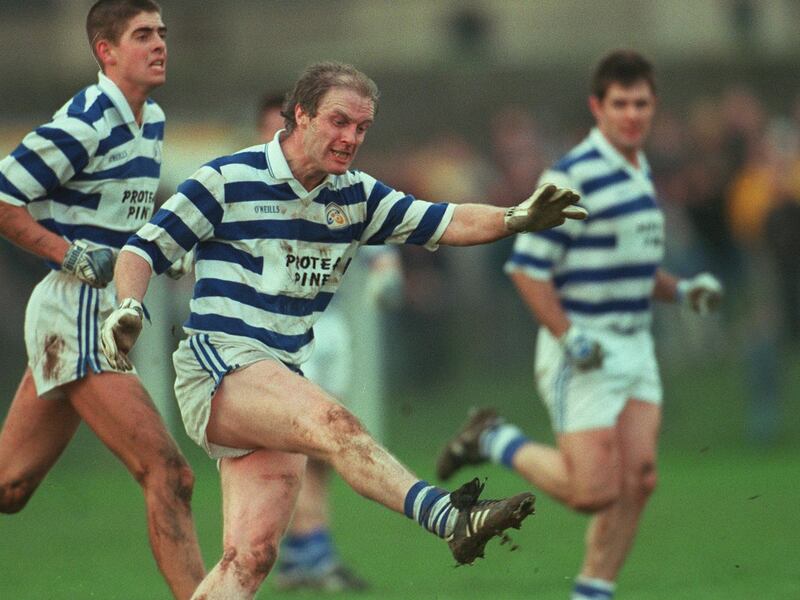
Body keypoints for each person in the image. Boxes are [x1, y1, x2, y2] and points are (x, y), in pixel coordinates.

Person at [100, 61, 586, 598]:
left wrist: (515, 217)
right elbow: (141, 249)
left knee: (251, 558)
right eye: (338, 121)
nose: (350, 137)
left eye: (361, 128)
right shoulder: (226, 180)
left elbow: (445, 220)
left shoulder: (356, 197)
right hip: (220, 365)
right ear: (301, 115)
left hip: (278, 373)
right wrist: (129, 307)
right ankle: (449, 518)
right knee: (335, 422)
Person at [435, 50, 724, 600]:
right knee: (594, 491)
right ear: (598, 107)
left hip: (634, 345)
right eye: (621, 103)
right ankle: (492, 437)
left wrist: (681, 290)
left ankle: (592, 591)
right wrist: (571, 336)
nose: (632, 114)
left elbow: (631, 266)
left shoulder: (640, 171)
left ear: (653, 105)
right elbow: (526, 270)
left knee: (639, 480)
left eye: (642, 103)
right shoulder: (572, 176)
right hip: (583, 348)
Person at [0, 2, 205, 598]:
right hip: (73, 313)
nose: (160, 44)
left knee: (10, 489)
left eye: (162, 33)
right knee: (170, 474)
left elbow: (125, 228)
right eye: (143, 35)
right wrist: (66, 252)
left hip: (99, 317)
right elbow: (4, 198)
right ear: (105, 51)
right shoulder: (87, 120)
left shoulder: (154, 120)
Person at [257, 93, 402, 592]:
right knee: (310, 440)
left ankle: (303, 550)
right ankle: (310, 547)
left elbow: (374, 230)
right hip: (275, 337)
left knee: (321, 447)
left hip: (330, 328)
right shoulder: (245, 187)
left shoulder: (336, 188)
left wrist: (384, 271)